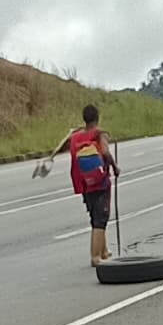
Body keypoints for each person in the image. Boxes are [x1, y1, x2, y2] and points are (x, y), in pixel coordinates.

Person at [59, 104, 116, 266]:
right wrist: (114, 166)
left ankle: (104, 251)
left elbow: (64, 147)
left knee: (95, 216)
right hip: (100, 181)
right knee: (101, 218)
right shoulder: (100, 134)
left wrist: (72, 133)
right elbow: (105, 152)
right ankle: (95, 256)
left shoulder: (75, 137)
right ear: (98, 117)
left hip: (84, 182)